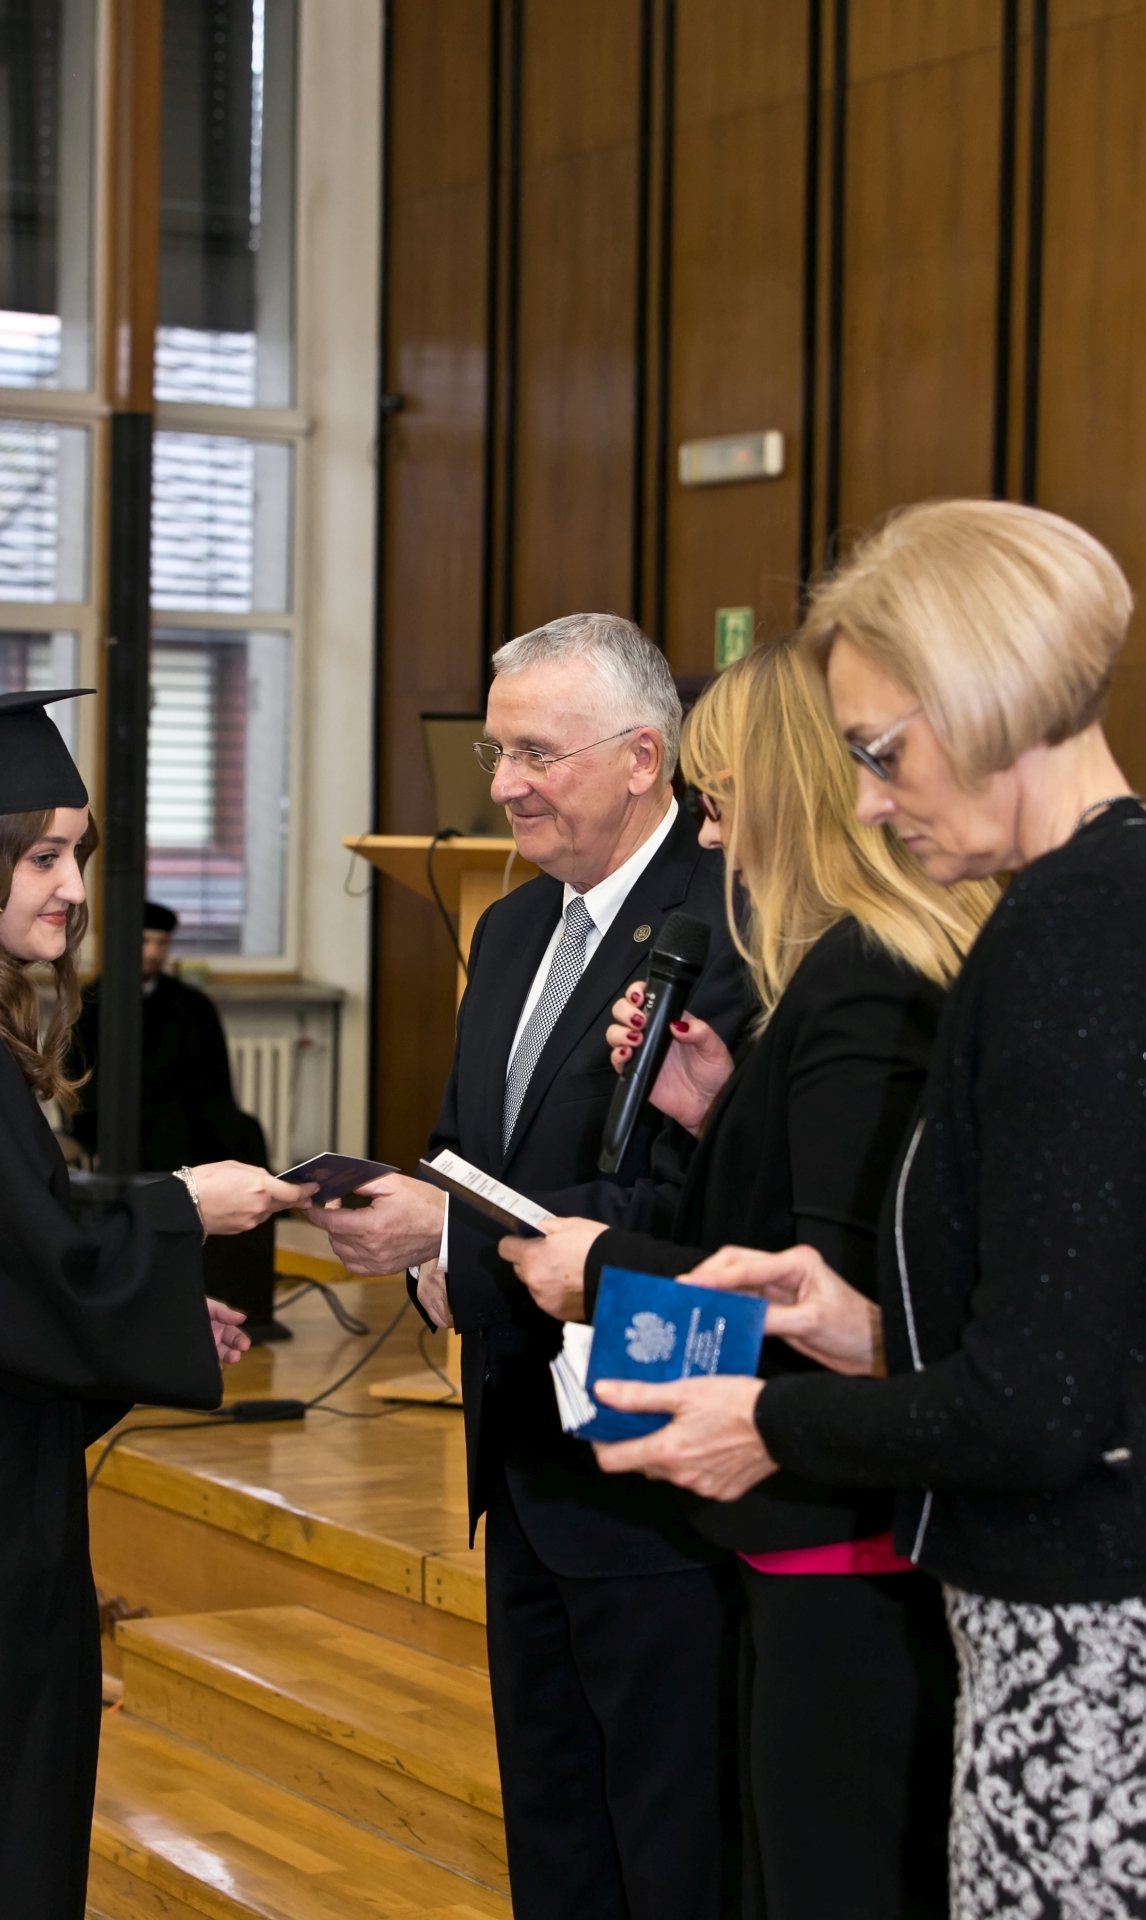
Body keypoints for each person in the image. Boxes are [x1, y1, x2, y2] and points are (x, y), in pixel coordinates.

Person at [590, 500, 1146, 1920]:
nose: (874, 802)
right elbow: (1093, 1330)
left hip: (1087, 1638)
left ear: (982, 696)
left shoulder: (1068, 932)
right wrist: (865, 1328)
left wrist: (767, 1421)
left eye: (881, 752)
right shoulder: (1105, 896)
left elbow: (1037, 1410)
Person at [502, 638, 994, 1919]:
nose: (711, 840)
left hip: (836, 1524)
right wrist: (714, 1106)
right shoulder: (852, 967)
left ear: (789, 796)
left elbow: (825, 1285)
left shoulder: (856, 973)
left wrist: (599, 1266)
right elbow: (835, 1208)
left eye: (721, 803)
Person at [308, 614, 748, 1920]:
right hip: (517, 1451)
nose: (502, 785)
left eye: (535, 754)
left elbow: (686, 1202)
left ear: (643, 758)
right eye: (495, 752)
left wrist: (451, 1244)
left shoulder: (727, 924)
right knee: (555, 1838)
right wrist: (427, 1245)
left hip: (655, 1474)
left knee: (671, 1846)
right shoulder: (508, 931)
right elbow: (470, 1152)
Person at [0, 690, 315, 1920]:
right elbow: (4, 1269)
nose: (72, 888)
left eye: (79, 855)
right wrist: (181, 1208)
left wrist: (157, 1299)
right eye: (43, 857)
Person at [69, 899, 287, 1340]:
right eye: (144, 941)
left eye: (161, 942)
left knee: (244, 1133)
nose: (153, 952)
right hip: (116, 1121)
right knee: (167, 1133)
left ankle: (245, 1289)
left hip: (188, 1113)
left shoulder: (191, 1004)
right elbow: (77, 1081)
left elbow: (215, 1083)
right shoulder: (89, 1005)